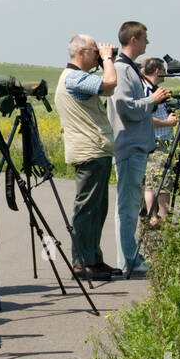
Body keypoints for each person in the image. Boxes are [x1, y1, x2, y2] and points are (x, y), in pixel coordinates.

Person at [53, 34, 119, 281]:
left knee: (97, 208)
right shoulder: (74, 78)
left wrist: (104, 59)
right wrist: (108, 59)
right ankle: (81, 264)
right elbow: (110, 83)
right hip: (89, 150)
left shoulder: (77, 78)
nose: (98, 54)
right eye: (95, 51)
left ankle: (94, 259)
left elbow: (108, 87)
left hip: (95, 149)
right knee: (87, 209)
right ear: (81, 53)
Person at [107, 21, 171, 275]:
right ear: (133, 39)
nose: (147, 43)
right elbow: (125, 107)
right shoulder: (122, 70)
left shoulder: (129, 69)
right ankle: (129, 261)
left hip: (134, 145)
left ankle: (130, 257)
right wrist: (152, 100)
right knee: (127, 207)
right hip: (129, 145)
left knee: (131, 205)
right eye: (145, 38)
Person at [138, 57, 178, 228]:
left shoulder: (151, 89)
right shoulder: (147, 92)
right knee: (160, 181)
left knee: (152, 180)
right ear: (157, 71)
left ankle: (153, 216)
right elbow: (144, 118)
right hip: (157, 141)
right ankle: (158, 217)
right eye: (163, 70)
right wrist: (168, 123)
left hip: (154, 141)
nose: (165, 74)